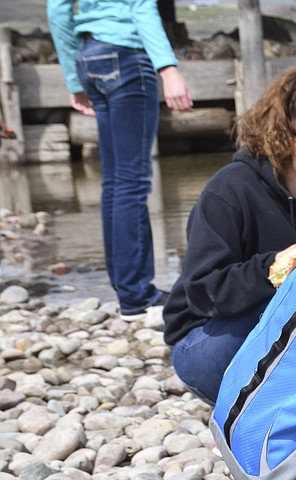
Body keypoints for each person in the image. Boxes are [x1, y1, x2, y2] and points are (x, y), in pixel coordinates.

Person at [163, 68, 296, 405]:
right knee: (289, 310)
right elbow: (202, 291)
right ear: (284, 136)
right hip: (209, 335)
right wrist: (273, 268)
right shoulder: (231, 190)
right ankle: (249, 413)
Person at [47, 0, 194, 319]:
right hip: (126, 55)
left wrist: (74, 77)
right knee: (132, 181)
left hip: (90, 54)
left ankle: (127, 288)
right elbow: (141, 6)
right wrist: (168, 69)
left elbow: (57, 10)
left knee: (115, 181)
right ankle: (137, 294)